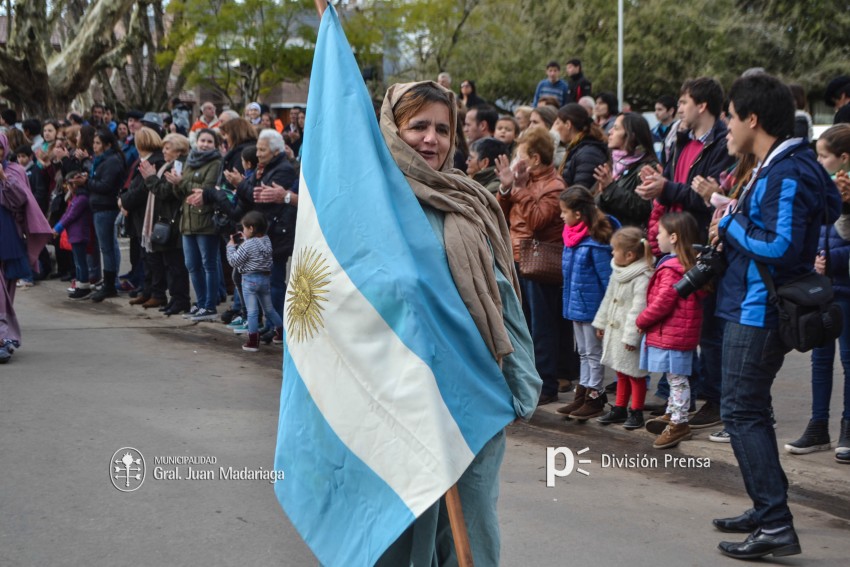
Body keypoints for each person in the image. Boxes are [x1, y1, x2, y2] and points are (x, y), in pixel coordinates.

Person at [374, 81, 540, 566]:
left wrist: (518, 383)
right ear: (392, 128)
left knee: (474, 530)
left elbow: (503, 298)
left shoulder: (469, 199)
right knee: (405, 533)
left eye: (442, 129)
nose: (431, 139)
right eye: (418, 126)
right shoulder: (367, 206)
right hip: (399, 398)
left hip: (476, 394)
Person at [710, 73, 841, 560]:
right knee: (753, 410)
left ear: (752, 119)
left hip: (759, 308)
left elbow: (781, 246)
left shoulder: (786, 170)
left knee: (741, 412)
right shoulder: (788, 163)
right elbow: (827, 207)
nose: (726, 126)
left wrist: (729, 221)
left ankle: (774, 523)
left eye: (730, 116)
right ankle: (765, 505)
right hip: (754, 303)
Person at [494, 126, 576, 407]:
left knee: (542, 327)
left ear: (536, 159)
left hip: (539, 262)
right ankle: (525, 380)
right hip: (517, 257)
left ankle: (547, 384)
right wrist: (506, 188)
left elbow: (538, 221)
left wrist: (517, 189)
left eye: (521, 155)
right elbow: (500, 214)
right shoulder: (524, 181)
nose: (516, 160)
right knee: (522, 325)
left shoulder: (555, 187)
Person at [786, 124, 850, 457]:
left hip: (844, 289)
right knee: (820, 360)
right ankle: (817, 426)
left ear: (844, 159)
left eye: (824, 157)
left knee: (849, 361)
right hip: (822, 288)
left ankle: (847, 429)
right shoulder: (822, 190)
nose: (819, 162)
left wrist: (832, 262)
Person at [639, 212, 703, 449]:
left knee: (677, 379)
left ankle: (679, 422)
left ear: (674, 237)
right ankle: (673, 411)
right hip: (677, 332)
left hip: (672, 332)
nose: (656, 237)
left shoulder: (671, 268)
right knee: (674, 377)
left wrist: (642, 320)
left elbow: (662, 301)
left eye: (661, 234)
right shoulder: (684, 265)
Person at [556, 185, 615, 420]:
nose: (561, 216)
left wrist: (605, 315)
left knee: (593, 352)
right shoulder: (571, 238)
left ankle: (595, 395)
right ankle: (582, 393)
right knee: (582, 352)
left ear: (578, 214)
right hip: (576, 306)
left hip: (592, 309)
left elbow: (606, 280)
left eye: (564, 211)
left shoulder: (595, 241)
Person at [0, 132, 53, 363]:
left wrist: (3, 179)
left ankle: (4, 337)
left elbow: (22, 201)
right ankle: (4, 336)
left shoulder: (15, 171)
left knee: (6, 290)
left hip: (7, 235)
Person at [593, 227, 654, 429]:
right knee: (621, 371)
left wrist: (631, 337)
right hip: (615, 332)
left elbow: (639, 309)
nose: (611, 253)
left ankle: (636, 411)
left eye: (614, 250)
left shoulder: (642, 277)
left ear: (629, 255)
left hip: (630, 335)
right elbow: (609, 298)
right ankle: (619, 408)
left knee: (635, 374)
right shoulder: (618, 271)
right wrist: (601, 322)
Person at [162, 128, 222, 321]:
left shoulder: (216, 162)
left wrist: (182, 183)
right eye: (202, 140)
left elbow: (205, 190)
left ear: (215, 145)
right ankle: (201, 302)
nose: (204, 144)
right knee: (191, 265)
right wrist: (176, 184)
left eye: (209, 141)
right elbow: (183, 193)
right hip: (187, 220)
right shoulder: (189, 160)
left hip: (205, 220)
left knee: (208, 264)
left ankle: (210, 305)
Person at [139, 133, 192, 316]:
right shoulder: (170, 164)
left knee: (176, 265)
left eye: (167, 148)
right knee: (170, 264)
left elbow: (165, 192)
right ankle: (175, 299)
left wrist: (151, 178)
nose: (163, 151)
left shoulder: (179, 165)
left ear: (178, 151)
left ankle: (181, 300)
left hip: (174, 221)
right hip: (168, 219)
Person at [120, 127, 167, 308]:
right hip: (140, 217)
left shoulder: (154, 161)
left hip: (148, 216)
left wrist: (123, 202)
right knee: (145, 257)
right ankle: (146, 291)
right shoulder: (145, 160)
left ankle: (156, 293)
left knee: (152, 258)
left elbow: (139, 191)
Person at [225, 210, 283, 351]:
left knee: (252, 312)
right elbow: (257, 249)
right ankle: (282, 333)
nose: (243, 231)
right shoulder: (266, 240)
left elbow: (234, 261)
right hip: (264, 279)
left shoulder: (248, 245)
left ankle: (252, 341)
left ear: (251, 228)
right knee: (269, 309)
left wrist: (230, 248)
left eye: (244, 228)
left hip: (249, 280)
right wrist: (246, 241)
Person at [82, 128, 126, 302]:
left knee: (107, 247)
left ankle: (110, 283)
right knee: (106, 247)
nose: (95, 146)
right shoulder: (101, 160)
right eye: (94, 142)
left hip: (106, 207)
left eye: (98, 143)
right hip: (98, 206)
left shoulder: (112, 161)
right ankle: (108, 282)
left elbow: (106, 186)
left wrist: (87, 182)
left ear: (108, 144)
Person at [594, 112, 657, 229]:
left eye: (616, 128)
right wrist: (604, 193)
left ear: (631, 136)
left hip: (631, 240)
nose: (610, 132)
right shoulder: (614, 164)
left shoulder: (648, 168)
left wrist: (610, 188)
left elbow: (642, 209)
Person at [52, 174, 92, 299]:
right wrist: (57, 227)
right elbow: (67, 214)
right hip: (75, 234)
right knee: (78, 262)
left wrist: (58, 228)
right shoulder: (77, 198)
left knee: (80, 262)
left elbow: (70, 216)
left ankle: (84, 286)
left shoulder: (81, 199)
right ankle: (80, 285)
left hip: (79, 234)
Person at [554, 103, 608, 189]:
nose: (554, 128)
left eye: (557, 123)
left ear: (568, 124)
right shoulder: (577, 148)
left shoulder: (588, 153)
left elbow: (579, 192)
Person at [652, 95, 678, 167]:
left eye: (660, 109)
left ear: (671, 111)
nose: (656, 113)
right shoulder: (652, 133)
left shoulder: (680, 132)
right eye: (655, 109)